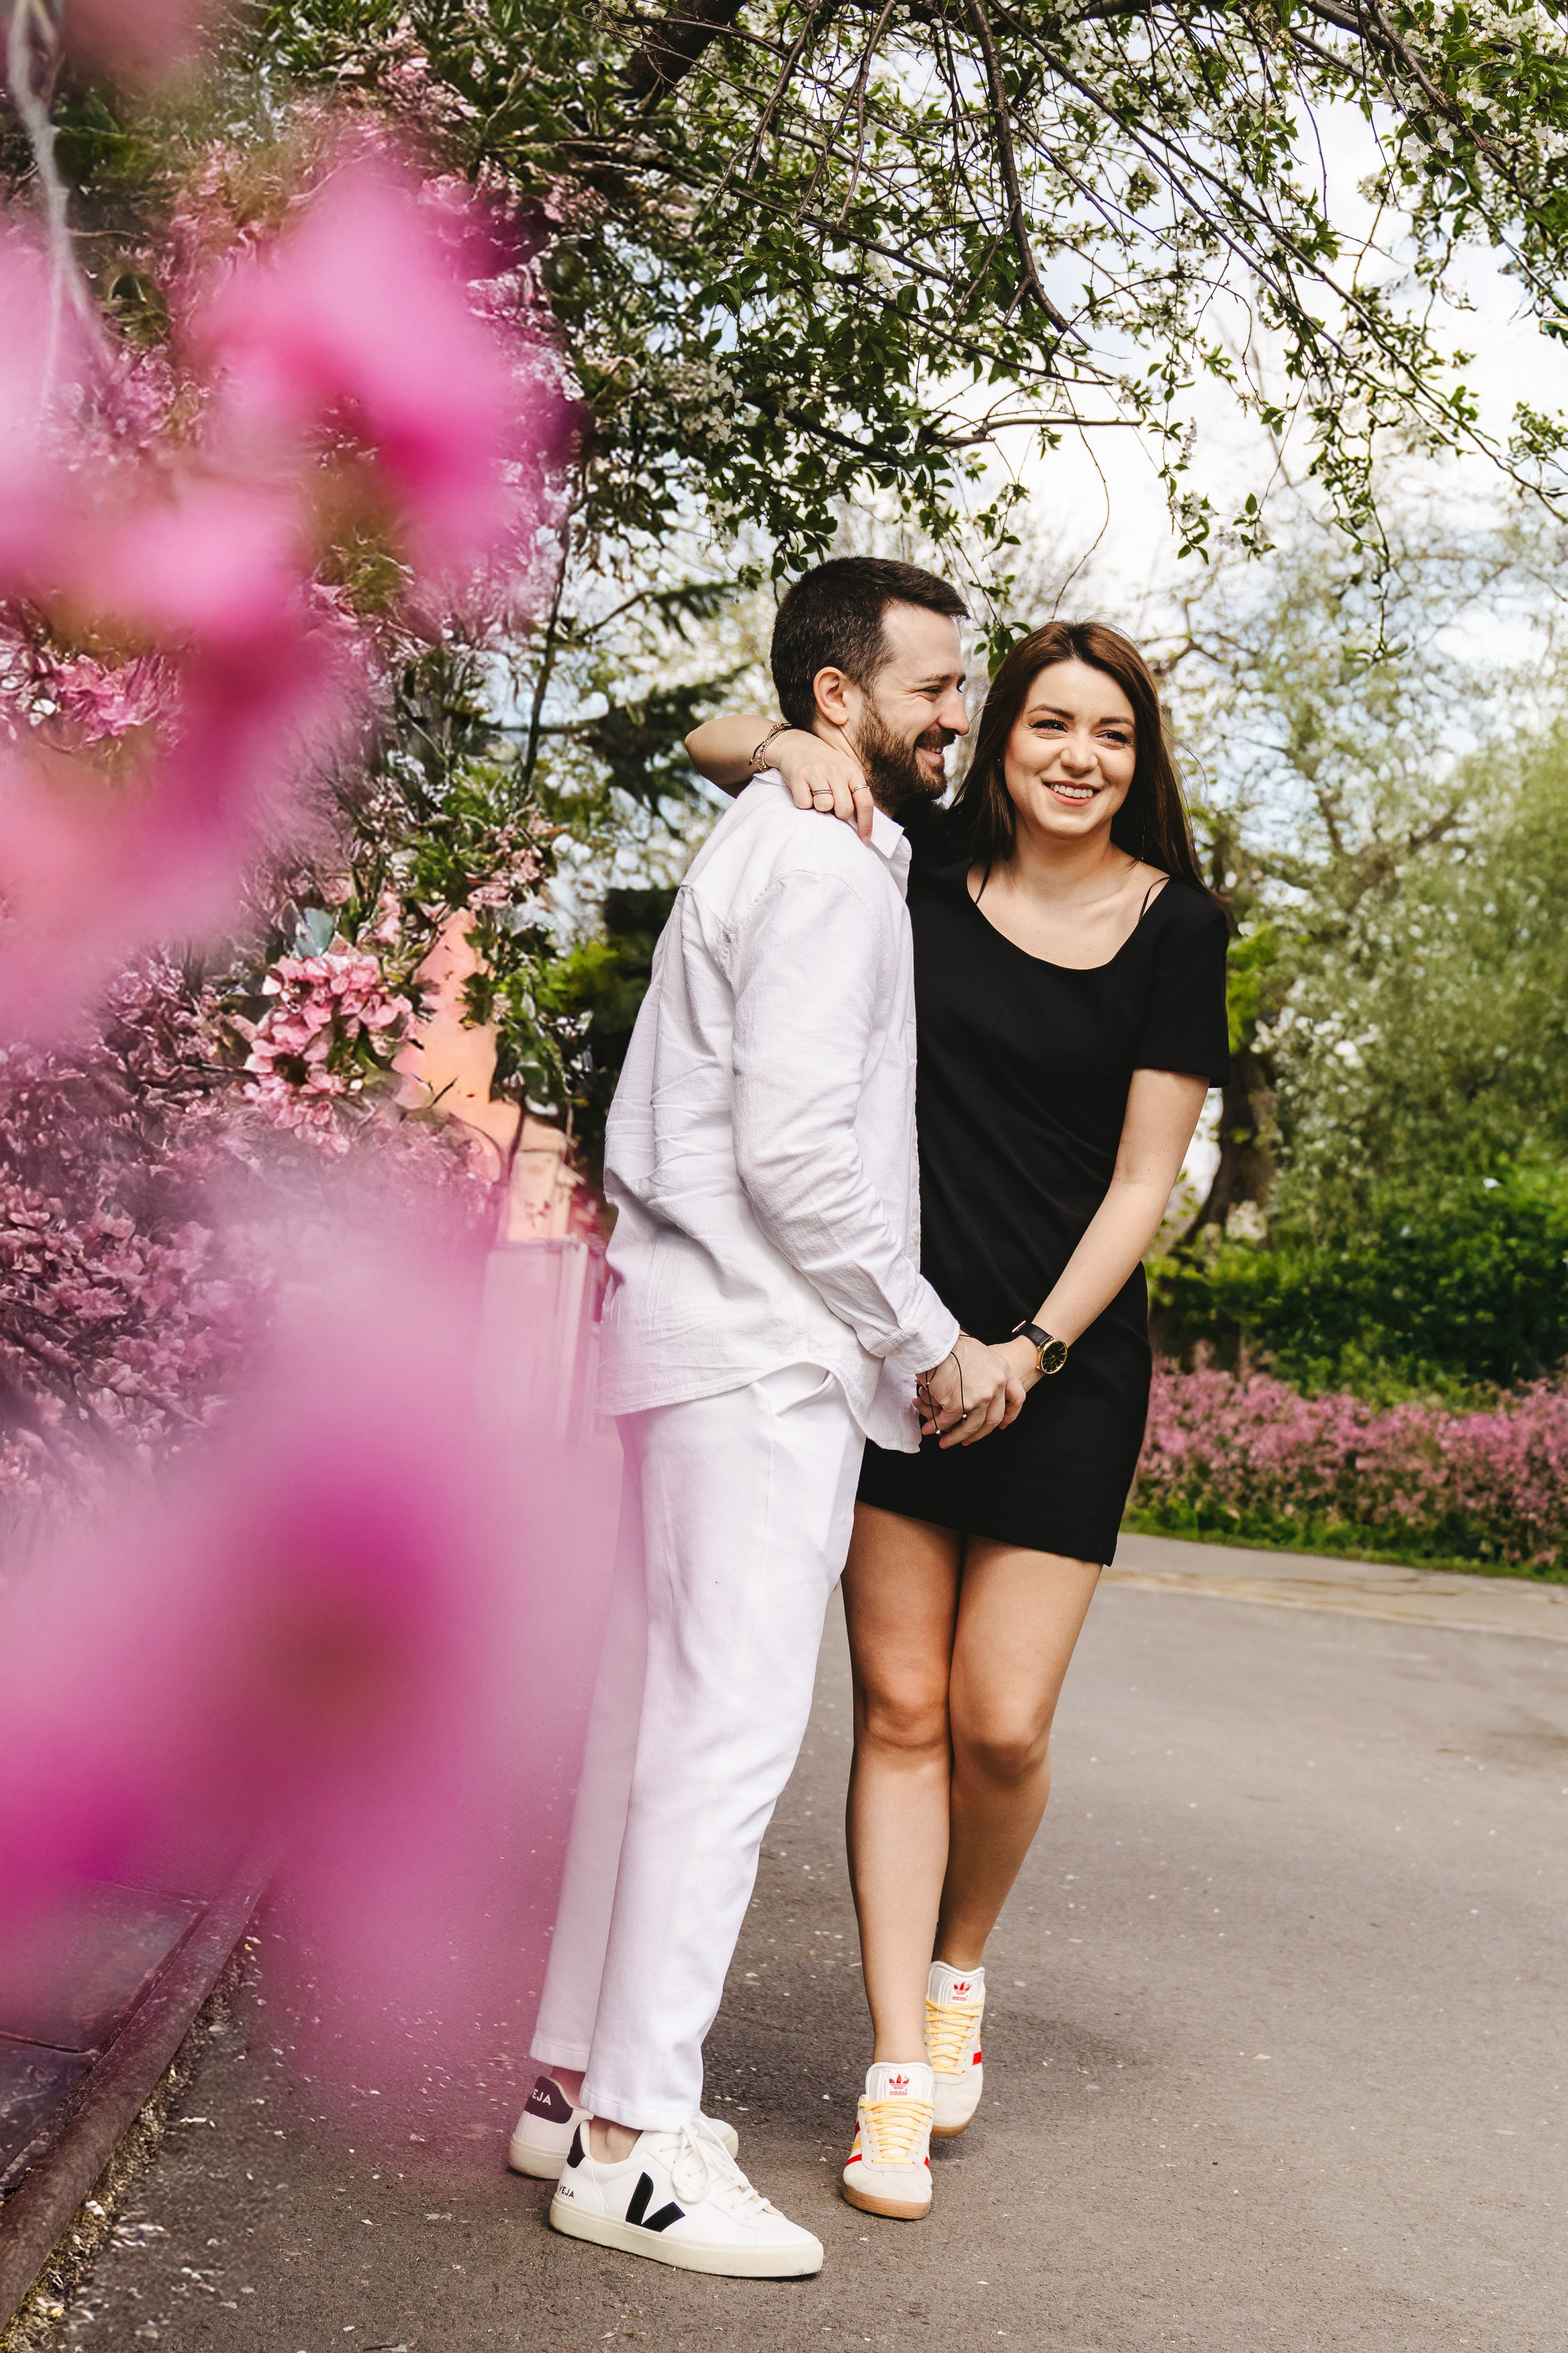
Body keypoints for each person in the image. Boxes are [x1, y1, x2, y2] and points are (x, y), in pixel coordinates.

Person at [511, 559, 1024, 2278]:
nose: (958, 710)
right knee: (720, 1742)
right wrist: (926, 1337)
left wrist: (764, 750)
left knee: (653, 1721)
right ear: (837, 700)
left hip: (695, 1341)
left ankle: (576, 2073)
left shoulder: (814, 839)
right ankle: (638, 2142)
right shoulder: (818, 862)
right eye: (933, 685)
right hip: (759, 1352)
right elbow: (798, 1156)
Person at [685, 615, 1231, 2221]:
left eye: (1110, 734)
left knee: (999, 1720)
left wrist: (1030, 1351)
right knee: (901, 1706)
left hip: (1060, 1363)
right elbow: (723, 745)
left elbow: (1145, 1181)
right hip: (898, 1353)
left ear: (1140, 760)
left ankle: (959, 1963)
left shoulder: (1175, 926)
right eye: (1046, 724)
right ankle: (893, 2072)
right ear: (993, 738)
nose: (1076, 755)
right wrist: (786, 742)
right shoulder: (913, 863)